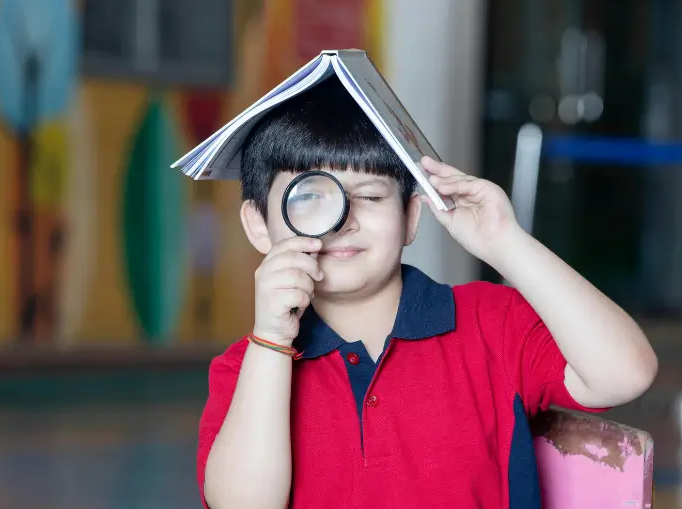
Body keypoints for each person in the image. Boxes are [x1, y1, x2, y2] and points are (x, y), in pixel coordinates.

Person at [196, 76, 658, 509]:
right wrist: (272, 340)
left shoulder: (490, 324)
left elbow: (626, 374)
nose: (343, 220)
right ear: (259, 226)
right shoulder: (248, 368)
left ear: (411, 217)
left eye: (372, 197)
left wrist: (506, 242)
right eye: (309, 198)